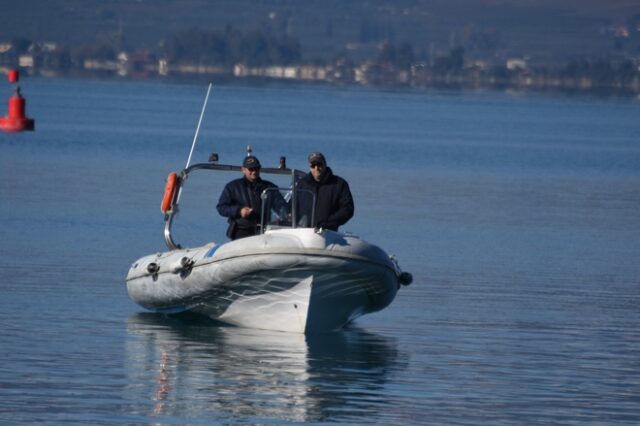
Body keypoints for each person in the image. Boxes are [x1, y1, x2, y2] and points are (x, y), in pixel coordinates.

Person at [216, 155, 282, 240]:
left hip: (265, 231)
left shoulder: (270, 188)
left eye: (256, 168)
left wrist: (287, 215)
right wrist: (239, 211)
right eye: (251, 169)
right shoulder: (232, 187)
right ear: (243, 169)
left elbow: (281, 206)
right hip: (241, 231)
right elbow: (221, 207)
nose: (254, 172)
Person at [296, 152, 354, 231]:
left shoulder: (339, 184)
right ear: (310, 167)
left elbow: (348, 209)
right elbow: (293, 207)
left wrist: (328, 223)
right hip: (303, 232)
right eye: (313, 165)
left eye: (319, 164)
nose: (316, 168)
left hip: (327, 234)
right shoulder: (301, 184)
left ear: (325, 164)